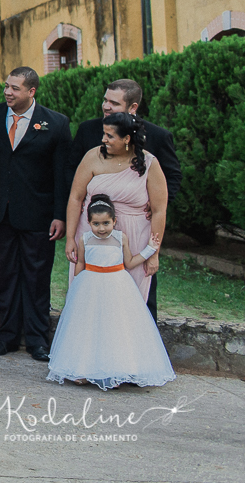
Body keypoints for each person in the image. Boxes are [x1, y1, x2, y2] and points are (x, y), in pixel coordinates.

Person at [65, 79, 181, 320]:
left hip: (135, 231)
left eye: (113, 102)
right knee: (91, 296)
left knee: (138, 299)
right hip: (93, 228)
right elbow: (73, 186)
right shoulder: (88, 133)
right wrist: (71, 234)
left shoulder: (156, 140)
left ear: (133, 107)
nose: (106, 106)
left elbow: (171, 179)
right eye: (105, 99)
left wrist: (153, 203)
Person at [0, 67, 71, 362]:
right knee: (4, 277)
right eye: (6, 86)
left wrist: (60, 215)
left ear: (31, 92)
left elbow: (62, 174)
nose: (8, 92)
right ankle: (5, 337)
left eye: (15, 88)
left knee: (36, 279)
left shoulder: (56, 123)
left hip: (39, 215)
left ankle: (37, 340)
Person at [47, 195, 174, 390]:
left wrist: (150, 250)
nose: (102, 228)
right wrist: (76, 290)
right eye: (96, 223)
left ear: (114, 221)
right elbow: (80, 263)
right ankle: (83, 370)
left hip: (117, 286)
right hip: (89, 285)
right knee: (88, 326)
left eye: (106, 223)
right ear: (88, 223)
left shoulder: (120, 238)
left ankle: (117, 369)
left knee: (115, 326)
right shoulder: (85, 239)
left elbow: (129, 262)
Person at [65, 112, 167, 304]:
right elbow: (75, 198)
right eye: (104, 134)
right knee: (89, 297)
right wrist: (71, 238)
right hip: (93, 234)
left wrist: (154, 254)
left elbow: (159, 210)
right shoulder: (92, 157)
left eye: (110, 136)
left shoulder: (149, 163)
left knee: (128, 302)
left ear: (127, 139)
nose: (104, 139)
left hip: (135, 238)